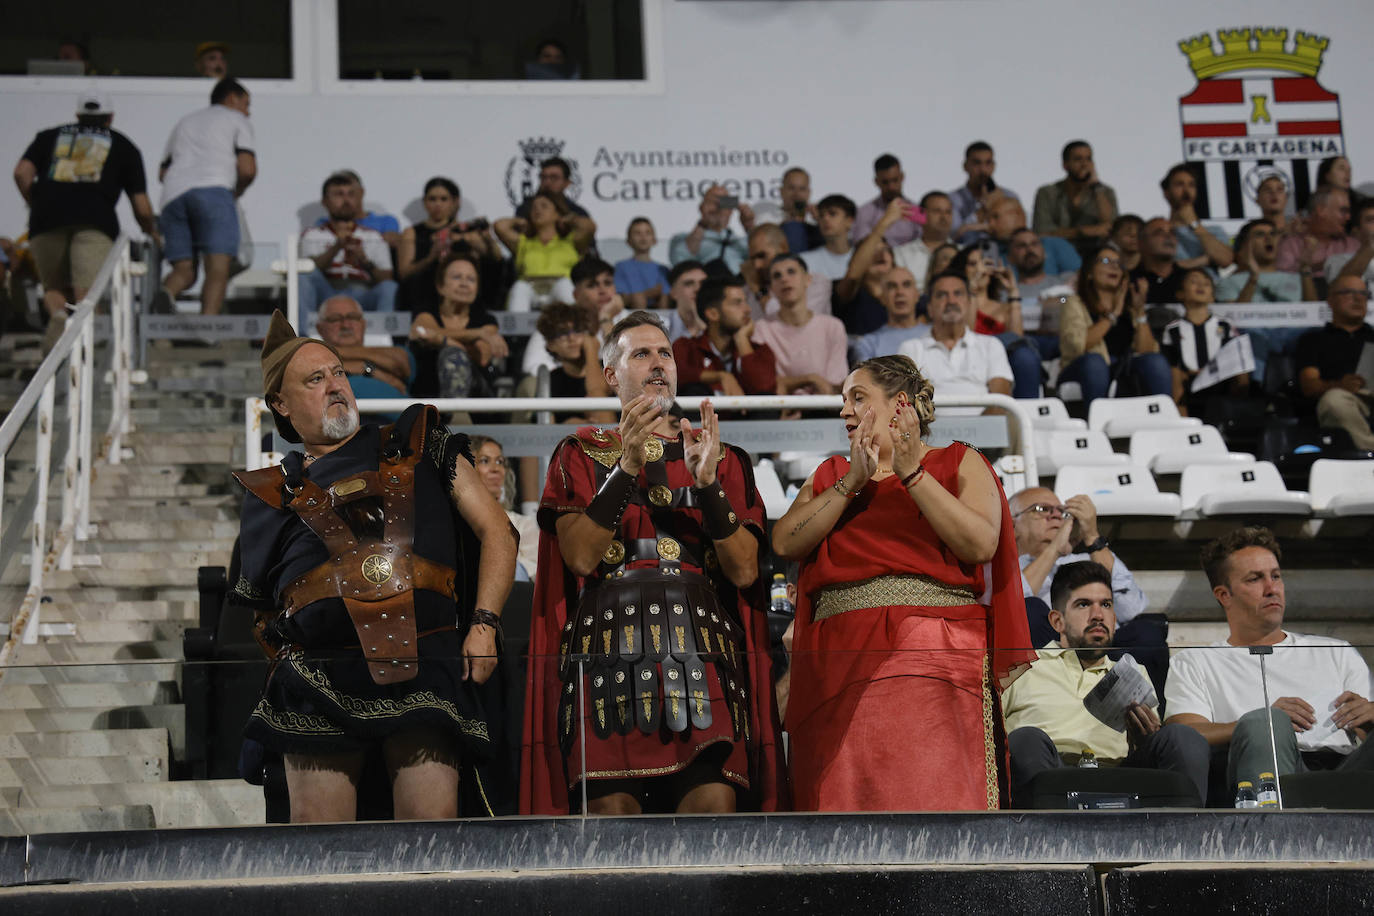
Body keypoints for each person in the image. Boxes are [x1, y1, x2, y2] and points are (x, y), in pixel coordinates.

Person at [230, 310, 518, 822]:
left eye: (338, 372)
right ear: (280, 404)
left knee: (430, 851)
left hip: (427, 665)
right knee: (322, 862)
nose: (335, 385)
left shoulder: (417, 439)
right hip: (316, 679)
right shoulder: (269, 493)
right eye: (315, 379)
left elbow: (497, 531)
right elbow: (258, 613)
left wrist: (485, 624)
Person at [520, 310, 785, 815]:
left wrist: (707, 488)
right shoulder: (580, 451)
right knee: (611, 828)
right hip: (607, 652)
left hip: (703, 651)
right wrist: (627, 466)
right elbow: (579, 556)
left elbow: (746, 572)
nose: (658, 363)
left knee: (711, 821)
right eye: (641, 354)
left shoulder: (723, 458)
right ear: (611, 375)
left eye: (664, 352)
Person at [774, 354, 1034, 810]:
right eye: (843, 400)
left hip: (933, 652)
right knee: (842, 802)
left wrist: (912, 473)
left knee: (933, 794)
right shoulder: (832, 475)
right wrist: (851, 483)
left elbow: (979, 544)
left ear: (900, 405)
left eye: (858, 398)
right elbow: (785, 541)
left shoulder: (960, 461)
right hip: (837, 657)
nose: (844, 411)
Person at [1164, 527, 1374, 796]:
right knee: (1266, 725)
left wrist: (1369, 716)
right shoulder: (1196, 661)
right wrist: (1260, 721)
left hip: (1345, 770)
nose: (1271, 588)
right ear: (1223, 595)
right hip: (1257, 773)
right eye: (1255, 579)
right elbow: (1186, 732)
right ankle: (1270, 832)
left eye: (1276, 576)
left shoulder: (1337, 651)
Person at [1001, 561, 1209, 805]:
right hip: (1051, 778)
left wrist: (1146, 738)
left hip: (1121, 775)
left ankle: (1190, 836)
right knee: (1026, 739)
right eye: (1083, 604)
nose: (1098, 615)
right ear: (1057, 621)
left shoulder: (1133, 672)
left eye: (1106, 605)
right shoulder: (1021, 668)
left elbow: (1149, 747)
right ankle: (1039, 837)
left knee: (1182, 737)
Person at [13, 93, 158, 349]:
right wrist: (152, 231)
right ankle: (87, 349)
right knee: (87, 293)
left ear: (78, 115)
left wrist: (35, 202)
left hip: (45, 219)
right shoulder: (123, 145)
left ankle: (58, 316)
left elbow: (22, 173)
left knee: (52, 285)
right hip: (95, 222)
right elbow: (142, 207)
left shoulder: (49, 136)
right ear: (110, 118)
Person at [1009, 486, 1166, 698]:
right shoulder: (1003, 568)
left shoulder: (1089, 556)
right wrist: (1054, 548)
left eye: (1062, 512)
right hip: (1050, 658)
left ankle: (1145, 722)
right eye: (1042, 509)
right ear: (1012, 524)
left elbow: (1130, 609)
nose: (1056, 515)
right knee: (1031, 611)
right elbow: (1012, 603)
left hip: (1104, 651)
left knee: (1148, 633)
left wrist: (1092, 536)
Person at [157, 77, 256, 316]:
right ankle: (208, 328)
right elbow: (247, 168)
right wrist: (236, 192)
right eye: (246, 103)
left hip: (172, 196)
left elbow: (163, 173)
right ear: (232, 98)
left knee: (184, 271)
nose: (248, 111)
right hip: (214, 190)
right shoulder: (236, 119)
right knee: (217, 267)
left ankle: (163, 299)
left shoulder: (185, 122)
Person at [1059, 245, 1169, 404]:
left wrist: (1140, 312)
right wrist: (1113, 314)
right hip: (1082, 368)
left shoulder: (1130, 310)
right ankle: (1096, 419)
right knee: (1095, 362)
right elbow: (1078, 345)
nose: (1114, 266)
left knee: (1155, 362)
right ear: (1089, 272)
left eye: (1119, 263)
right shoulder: (1073, 302)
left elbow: (1146, 351)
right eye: (1105, 261)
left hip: (1123, 368)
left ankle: (1165, 421)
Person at [900, 271, 1014, 411]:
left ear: (969, 303)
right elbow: (907, 404)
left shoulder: (991, 345)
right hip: (931, 430)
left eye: (958, 293)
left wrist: (978, 430)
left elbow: (1001, 401)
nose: (951, 301)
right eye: (942, 295)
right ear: (929, 308)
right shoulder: (911, 349)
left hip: (984, 428)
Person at [298, 173, 397, 319]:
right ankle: (302, 337)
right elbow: (308, 270)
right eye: (339, 194)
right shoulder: (313, 235)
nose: (346, 200)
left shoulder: (372, 236)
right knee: (302, 276)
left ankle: (384, 338)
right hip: (327, 291)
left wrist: (364, 260)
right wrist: (336, 247)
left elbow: (387, 277)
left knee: (389, 287)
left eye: (351, 194)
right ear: (325, 201)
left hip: (363, 292)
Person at [946, 245, 1040, 399]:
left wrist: (1013, 292)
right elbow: (967, 335)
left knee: (1024, 353)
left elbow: (1017, 340)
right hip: (969, 361)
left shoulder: (1003, 307)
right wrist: (972, 291)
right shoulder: (953, 306)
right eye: (973, 264)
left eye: (985, 263)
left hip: (1003, 365)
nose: (980, 269)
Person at [396, 177, 501, 315]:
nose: (437, 204)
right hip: (424, 290)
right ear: (424, 202)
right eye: (432, 199)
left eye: (444, 199)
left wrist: (485, 239)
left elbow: (495, 257)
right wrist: (430, 257)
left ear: (454, 202)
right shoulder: (412, 233)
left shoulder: (465, 230)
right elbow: (404, 273)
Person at [409, 253, 507, 399]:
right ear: (440, 286)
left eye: (471, 279)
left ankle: (454, 414)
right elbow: (421, 332)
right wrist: (476, 335)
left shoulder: (486, 320)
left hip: (473, 398)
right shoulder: (425, 312)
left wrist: (441, 341)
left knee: (453, 356)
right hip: (427, 395)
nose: (464, 284)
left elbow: (482, 357)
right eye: (456, 277)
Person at [1293, 274, 1374, 449]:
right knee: (1334, 401)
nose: (1358, 298)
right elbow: (1309, 386)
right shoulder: (1313, 340)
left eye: (1363, 293)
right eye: (1348, 292)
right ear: (1330, 300)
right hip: (1344, 400)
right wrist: (1340, 385)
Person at [752, 254, 848, 395]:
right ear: (771, 288)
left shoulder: (833, 327)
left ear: (808, 280)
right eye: (777, 276)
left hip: (824, 409)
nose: (784, 279)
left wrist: (789, 383)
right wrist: (810, 379)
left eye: (791, 272)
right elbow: (766, 382)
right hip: (781, 409)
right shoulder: (761, 328)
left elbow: (832, 386)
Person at [1160, 268, 1250, 416]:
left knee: (1242, 372)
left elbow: (1235, 359)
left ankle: (1234, 420)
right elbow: (1172, 362)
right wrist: (1185, 374)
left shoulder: (1225, 325)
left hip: (1221, 382)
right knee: (1174, 378)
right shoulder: (1172, 330)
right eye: (1194, 282)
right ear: (1180, 293)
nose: (1201, 286)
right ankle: (1183, 425)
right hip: (1188, 384)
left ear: (1212, 297)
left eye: (1206, 284)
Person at [673, 275, 777, 397]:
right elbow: (676, 375)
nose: (748, 310)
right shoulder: (686, 348)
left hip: (746, 416)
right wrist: (720, 376)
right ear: (713, 314)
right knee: (694, 390)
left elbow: (765, 388)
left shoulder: (760, 351)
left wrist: (742, 339)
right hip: (704, 416)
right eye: (737, 303)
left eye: (745, 302)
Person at [494, 190, 595, 312]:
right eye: (534, 208)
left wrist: (569, 219)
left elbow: (589, 227)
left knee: (565, 285)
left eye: (544, 206)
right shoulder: (524, 242)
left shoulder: (571, 241)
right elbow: (499, 226)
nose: (538, 210)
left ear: (557, 213)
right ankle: (517, 329)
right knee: (519, 287)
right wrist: (520, 221)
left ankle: (575, 326)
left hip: (560, 288)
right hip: (530, 288)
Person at [317, 295, 415, 412]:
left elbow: (401, 363)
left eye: (352, 317)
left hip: (400, 423)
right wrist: (370, 370)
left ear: (364, 324)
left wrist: (337, 354)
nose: (345, 325)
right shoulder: (312, 360)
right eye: (335, 319)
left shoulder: (393, 351)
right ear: (320, 328)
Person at [470, 435, 540, 582]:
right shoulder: (453, 521)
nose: (496, 469)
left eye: (500, 462)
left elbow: (536, 571)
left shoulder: (523, 525)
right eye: (484, 461)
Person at [1032, 141, 1118, 258]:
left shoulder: (1105, 192)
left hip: (1094, 255)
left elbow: (1110, 227)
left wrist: (1096, 187)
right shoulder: (1047, 193)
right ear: (1065, 165)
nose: (1085, 164)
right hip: (1055, 255)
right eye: (1078, 159)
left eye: (1089, 159)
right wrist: (1082, 232)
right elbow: (1041, 233)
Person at [836, 197, 906, 335]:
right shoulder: (850, 294)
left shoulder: (906, 295)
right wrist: (884, 222)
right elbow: (853, 276)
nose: (880, 255)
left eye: (885, 250)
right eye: (873, 251)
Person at [743, 223, 832, 320]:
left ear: (783, 248)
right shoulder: (748, 290)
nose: (757, 265)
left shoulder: (816, 283)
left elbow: (795, 321)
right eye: (752, 259)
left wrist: (759, 292)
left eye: (762, 256)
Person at [1217, 219, 1313, 303]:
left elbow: (1315, 315)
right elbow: (1232, 319)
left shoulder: (1300, 279)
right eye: (1260, 234)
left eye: (1273, 234)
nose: (1269, 238)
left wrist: (1305, 268)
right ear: (1244, 246)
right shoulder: (1229, 283)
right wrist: (1253, 278)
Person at [1277, 186, 1356, 287]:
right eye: (1343, 211)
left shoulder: (1353, 245)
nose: (1348, 217)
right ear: (1321, 210)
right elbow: (1282, 285)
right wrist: (1304, 267)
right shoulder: (1290, 245)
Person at [1160, 163, 1233, 272]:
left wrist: (1194, 223)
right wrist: (1204, 260)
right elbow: (1162, 268)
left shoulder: (1215, 231)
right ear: (1166, 193)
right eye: (1179, 184)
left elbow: (1225, 260)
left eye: (1191, 185)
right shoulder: (1159, 232)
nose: (1186, 190)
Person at [850, 266, 929, 363]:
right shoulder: (868, 344)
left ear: (917, 295)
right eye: (892, 286)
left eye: (906, 285)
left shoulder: (937, 334)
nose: (900, 292)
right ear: (882, 298)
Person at [986, 197, 1081, 277]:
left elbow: (1078, 277)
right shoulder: (989, 251)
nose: (990, 223)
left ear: (1017, 215)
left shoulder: (1054, 245)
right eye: (988, 219)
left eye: (995, 217)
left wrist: (1060, 298)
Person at [669, 184, 752, 273]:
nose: (718, 207)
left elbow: (760, 258)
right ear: (701, 208)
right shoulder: (682, 239)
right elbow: (681, 260)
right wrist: (703, 223)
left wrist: (749, 226)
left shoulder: (740, 242)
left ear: (731, 210)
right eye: (712, 201)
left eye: (724, 201)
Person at [950, 141, 1020, 244]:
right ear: (965, 166)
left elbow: (1018, 233)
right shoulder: (952, 200)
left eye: (988, 163)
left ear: (993, 166)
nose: (983, 170)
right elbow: (952, 236)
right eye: (977, 163)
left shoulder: (1009, 196)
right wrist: (982, 212)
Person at [850, 154, 920, 247]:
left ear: (902, 177)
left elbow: (925, 242)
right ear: (876, 181)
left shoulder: (916, 209)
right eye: (885, 182)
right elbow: (862, 246)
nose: (891, 187)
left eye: (895, 180)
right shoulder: (864, 212)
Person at [892, 191, 956, 286]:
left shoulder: (963, 253)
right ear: (921, 215)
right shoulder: (900, 254)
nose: (944, 217)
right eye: (937, 211)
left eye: (948, 212)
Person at [613, 217, 670, 310]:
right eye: (637, 233)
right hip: (631, 313)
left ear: (654, 239)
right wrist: (648, 294)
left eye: (647, 233)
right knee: (638, 299)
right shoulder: (621, 267)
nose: (643, 237)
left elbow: (665, 299)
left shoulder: (663, 269)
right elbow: (622, 297)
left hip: (659, 315)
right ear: (628, 240)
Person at [514, 157, 592, 221]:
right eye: (543, 177)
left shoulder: (578, 213)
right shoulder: (526, 209)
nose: (547, 182)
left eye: (554, 178)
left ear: (567, 183)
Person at [1326, 196, 1374, 297]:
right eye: (1371, 220)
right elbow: (1342, 289)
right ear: (1356, 231)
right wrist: (1370, 247)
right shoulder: (1337, 261)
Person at [800, 194, 855, 280]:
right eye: (821, 215)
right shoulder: (804, 261)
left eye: (832, 214)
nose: (825, 219)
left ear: (849, 221)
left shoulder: (864, 259)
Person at [1131, 217, 1184, 305]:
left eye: (1172, 233)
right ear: (1141, 243)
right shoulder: (1128, 282)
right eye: (1159, 232)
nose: (1168, 236)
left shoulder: (1189, 280)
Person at [662, 260, 707, 343]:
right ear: (673, 292)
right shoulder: (660, 327)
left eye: (703, 283)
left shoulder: (724, 325)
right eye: (689, 284)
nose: (698, 289)